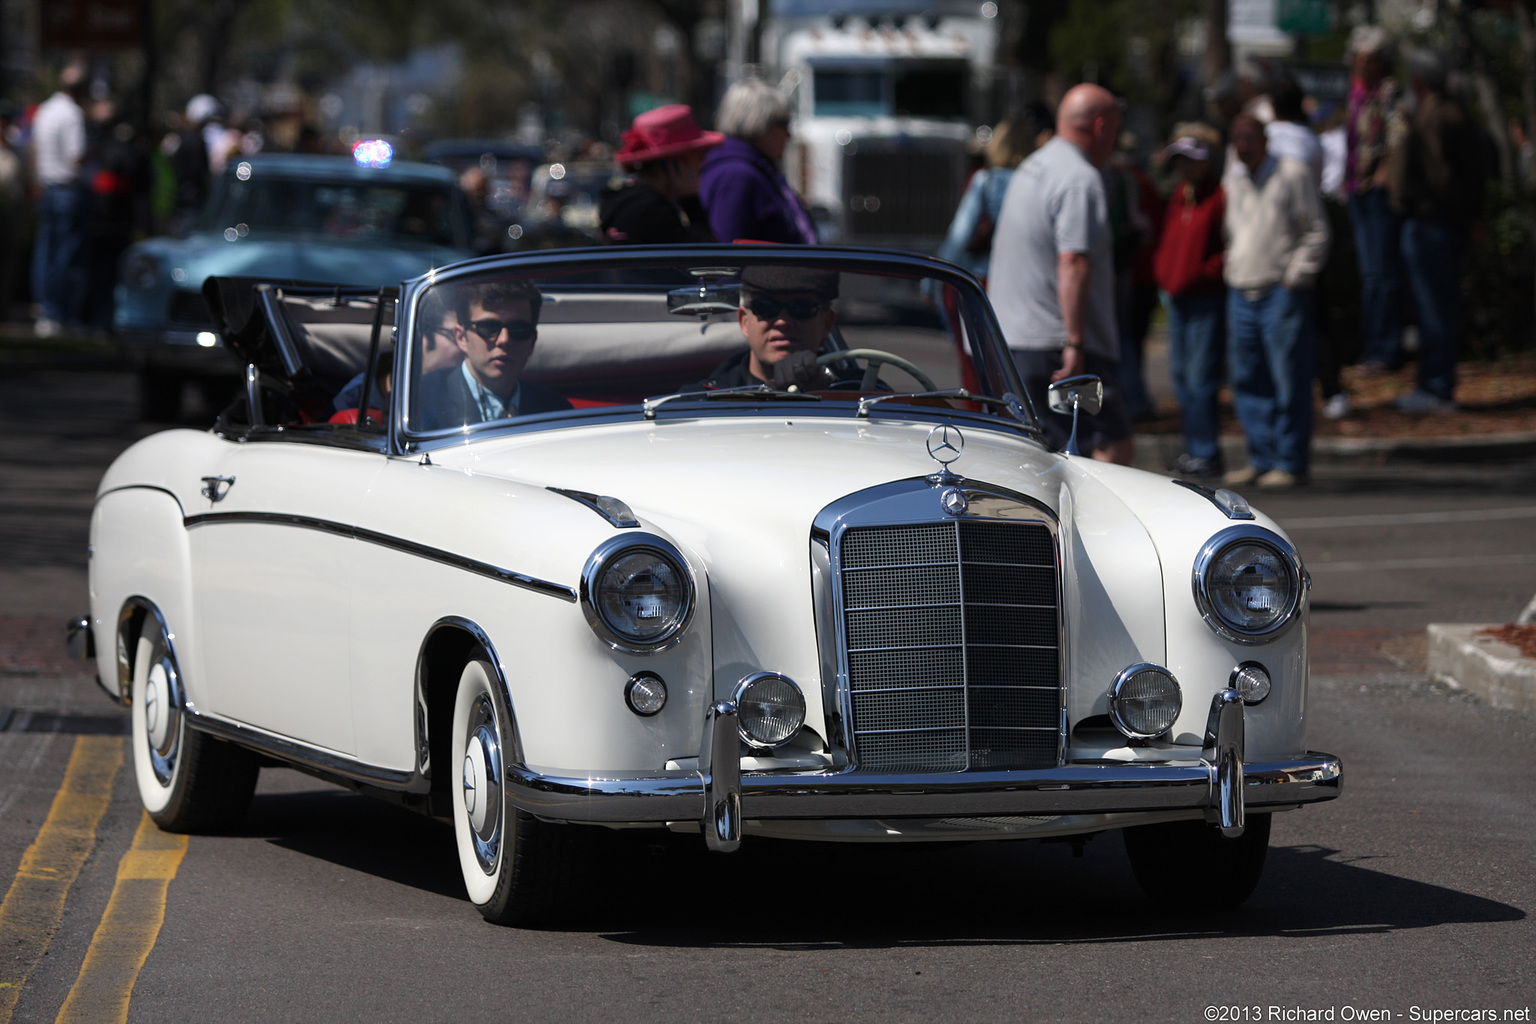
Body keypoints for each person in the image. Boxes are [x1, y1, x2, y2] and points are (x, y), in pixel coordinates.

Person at [987, 83, 1134, 465]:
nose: (1116, 140)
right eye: (1116, 130)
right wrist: (1075, 343)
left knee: (1044, 456)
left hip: (1017, 339)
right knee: (1111, 447)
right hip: (1058, 344)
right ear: (1101, 126)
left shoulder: (1034, 167)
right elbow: (1073, 261)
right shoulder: (1079, 178)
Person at [1221, 114, 1330, 491]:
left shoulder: (1291, 174)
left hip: (1279, 290)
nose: (1242, 145)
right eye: (1236, 138)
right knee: (1249, 379)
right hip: (1242, 288)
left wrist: (1295, 276)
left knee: (1289, 379)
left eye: (1249, 138)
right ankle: (1261, 458)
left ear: (1265, 141)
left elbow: (1316, 231)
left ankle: (1290, 461)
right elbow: (1232, 232)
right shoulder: (1236, 180)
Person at [1388, 49, 1488, 415]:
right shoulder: (1445, 113)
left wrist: (1419, 202)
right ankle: (1434, 383)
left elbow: (1441, 175)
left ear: (1418, 81)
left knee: (1434, 307)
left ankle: (1436, 387)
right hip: (1435, 223)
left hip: (1432, 224)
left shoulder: (1437, 117)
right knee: (1434, 305)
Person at [1153, 123, 1227, 479]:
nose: (1184, 168)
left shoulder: (1218, 196)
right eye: (1179, 160)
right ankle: (1194, 447)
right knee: (1182, 377)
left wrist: (1203, 273)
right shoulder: (1181, 194)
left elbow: (1225, 249)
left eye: (1191, 160)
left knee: (1201, 378)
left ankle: (1206, 450)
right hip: (1178, 299)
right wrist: (1166, 274)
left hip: (1204, 299)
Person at [414, 279, 571, 430]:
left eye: (519, 330)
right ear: (461, 337)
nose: (504, 340)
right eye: (489, 328)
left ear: (532, 341)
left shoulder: (555, 411)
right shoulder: (418, 402)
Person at [1343, 25, 1409, 373]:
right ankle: (1373, 347)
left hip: (1377, 194)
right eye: (1357, 59)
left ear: (1382, 62)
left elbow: (1399, 134)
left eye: (1368, 60)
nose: (1361, 66)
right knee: (1370, 274)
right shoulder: (1356, 95)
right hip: (1357, 190)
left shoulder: (1388, 93)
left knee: (1382, 274)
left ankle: (1385, 350)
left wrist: (1383, 172)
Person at [698, 79, 817, 245]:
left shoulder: (760, 170)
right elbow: (729, 252)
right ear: (756, 124)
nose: (789, 135)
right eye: (783, 124)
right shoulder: (736, 176)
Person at [693, 266, 843, 390]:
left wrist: (828, 388)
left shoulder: (858, 393)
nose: (782, 322)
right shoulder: (699, 401)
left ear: (826, 323)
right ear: (744, 322)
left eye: (801, 308)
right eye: (766, 308)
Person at [600, 104, 722, 245]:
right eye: (697, 154)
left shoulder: (623, 200)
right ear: (674, 164)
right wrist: (691, 201)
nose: (703, 160)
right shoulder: (654, 210)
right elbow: (703, 256)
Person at [935, 116, 1035, 281]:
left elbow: (960, 235)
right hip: (1029, 273)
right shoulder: (1035, 181)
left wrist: (934, 279)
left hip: (991, 271)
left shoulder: (986, 180)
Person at [29, 63, 89, 336]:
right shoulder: (72, 114)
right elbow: (77, 155)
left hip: (47, 187)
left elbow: (33, 148)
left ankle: (43, 307)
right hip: (66, 188)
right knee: (66, 253)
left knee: (46, 251)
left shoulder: (45, 109)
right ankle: (58, 313)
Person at [335, 288, 463, 414]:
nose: (467, 346)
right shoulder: (352, 404)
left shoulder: (468, 392)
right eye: (457, 336)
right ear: (421, 334)